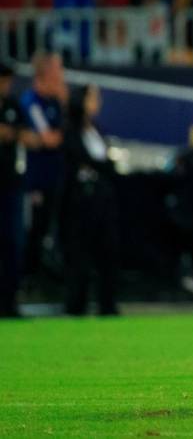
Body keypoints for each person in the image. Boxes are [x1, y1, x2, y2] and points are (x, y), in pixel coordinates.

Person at [58, 84, 120, 315]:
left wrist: (100, 167)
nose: (98, 102)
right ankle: (76, 305)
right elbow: (81, 159)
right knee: (79, 255)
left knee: (107, 251)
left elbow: (103, 163)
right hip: (79, 201)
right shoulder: (71, 130)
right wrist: (101, 166)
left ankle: (107, 304)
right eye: (93, 98)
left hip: (101, 199)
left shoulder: (97, 130)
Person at [19, 52, 66, 283]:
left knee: (59, 229)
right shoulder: (31, 101)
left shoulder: (57, 102)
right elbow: (50, 139)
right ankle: (28, 279)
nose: (62, 76)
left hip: (58, 178)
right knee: (36, 230)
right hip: (38, 180)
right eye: (58, 71)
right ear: (46, 73)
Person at [0, 64, 28, 317]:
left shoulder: (12, 105)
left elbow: (26, 134)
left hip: (10, 184)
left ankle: (10, 301)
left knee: (12, 242)